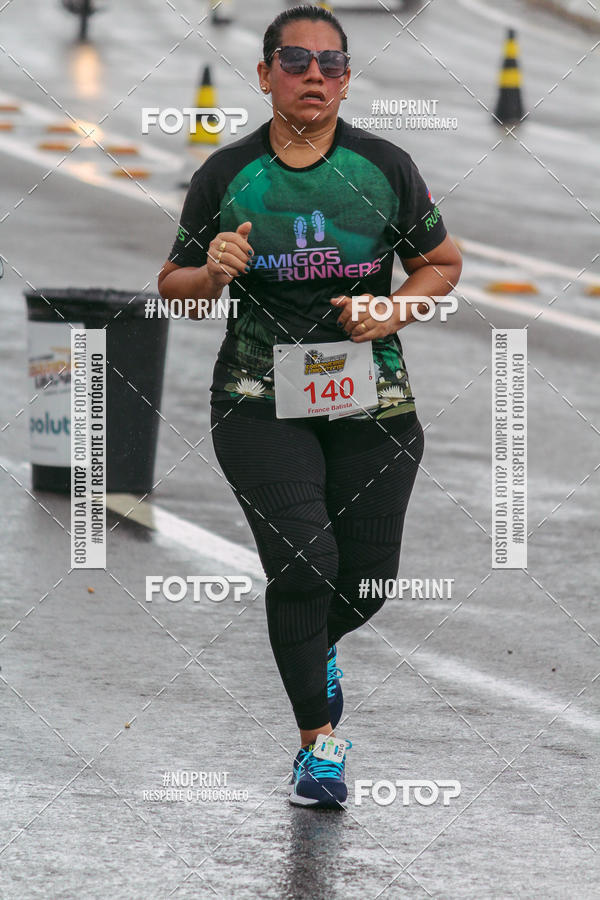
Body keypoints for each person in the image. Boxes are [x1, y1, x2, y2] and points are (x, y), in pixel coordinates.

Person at [158, 4, 462, 810]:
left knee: (363, 584)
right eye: (295, 61)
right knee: (304, 564)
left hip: (374, 403)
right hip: (260, 403)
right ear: (265, 76)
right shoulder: (226, 176)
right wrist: (213, 272)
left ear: (347, 78)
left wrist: (393, 310)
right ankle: (317, 750)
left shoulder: (384, 167)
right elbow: (174, 289)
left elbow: (441, 262)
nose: (314, 75)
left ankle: (312, 643)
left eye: (330, 63)